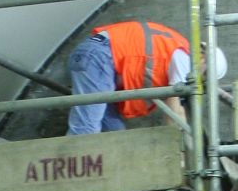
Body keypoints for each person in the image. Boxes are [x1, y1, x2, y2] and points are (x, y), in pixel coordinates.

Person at [67, 19, 225, 134]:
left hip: (102, 61)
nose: (198, 82)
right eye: (204, 76)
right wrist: (177, 154)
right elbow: (175, 112)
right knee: (86, 130)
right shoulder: (186, 59)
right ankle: (69, 178)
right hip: (100, 58)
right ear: (204, 59)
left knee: (115, 134)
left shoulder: (177, 48)